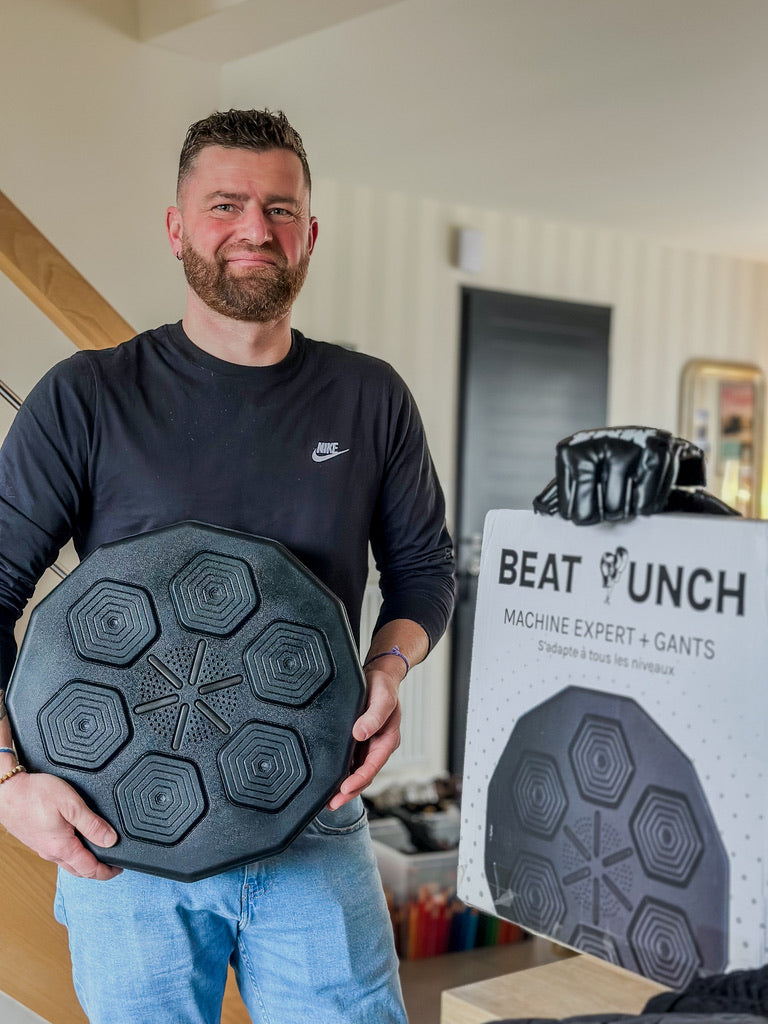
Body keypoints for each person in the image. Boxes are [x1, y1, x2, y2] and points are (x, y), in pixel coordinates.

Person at [0, 108, 455, 1023]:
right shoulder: (86, 397)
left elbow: (423, 569)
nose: (256, 228)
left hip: (316, 818)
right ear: (177, 228)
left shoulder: (368, 398)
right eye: (225, 205)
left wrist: (389, 667)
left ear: (310, 234)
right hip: (123, 837)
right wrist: (6, 781)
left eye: (281, 209)